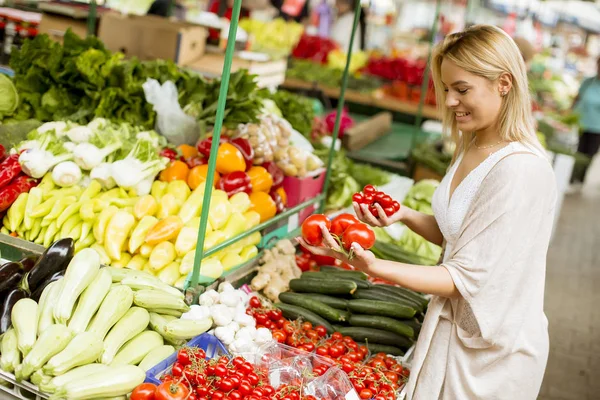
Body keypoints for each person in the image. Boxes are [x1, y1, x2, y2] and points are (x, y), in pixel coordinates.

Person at [299, 25, 556, 400]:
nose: (450, 101)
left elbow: (464, 277)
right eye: (446, 89)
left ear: (504, 83)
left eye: (462, 89)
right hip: (455, 337)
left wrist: (372, 266)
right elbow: (463, 237)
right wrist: (403, 215)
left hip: (488, 360)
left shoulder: (520, 170)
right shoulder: (474, 144)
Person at [572, 56, 600, 186]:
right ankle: (572, 178)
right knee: (578, 151)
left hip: (597, 128)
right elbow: (577, 98)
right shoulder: (588, 81)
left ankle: (580, 180)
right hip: (582, 123)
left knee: (589, 154)